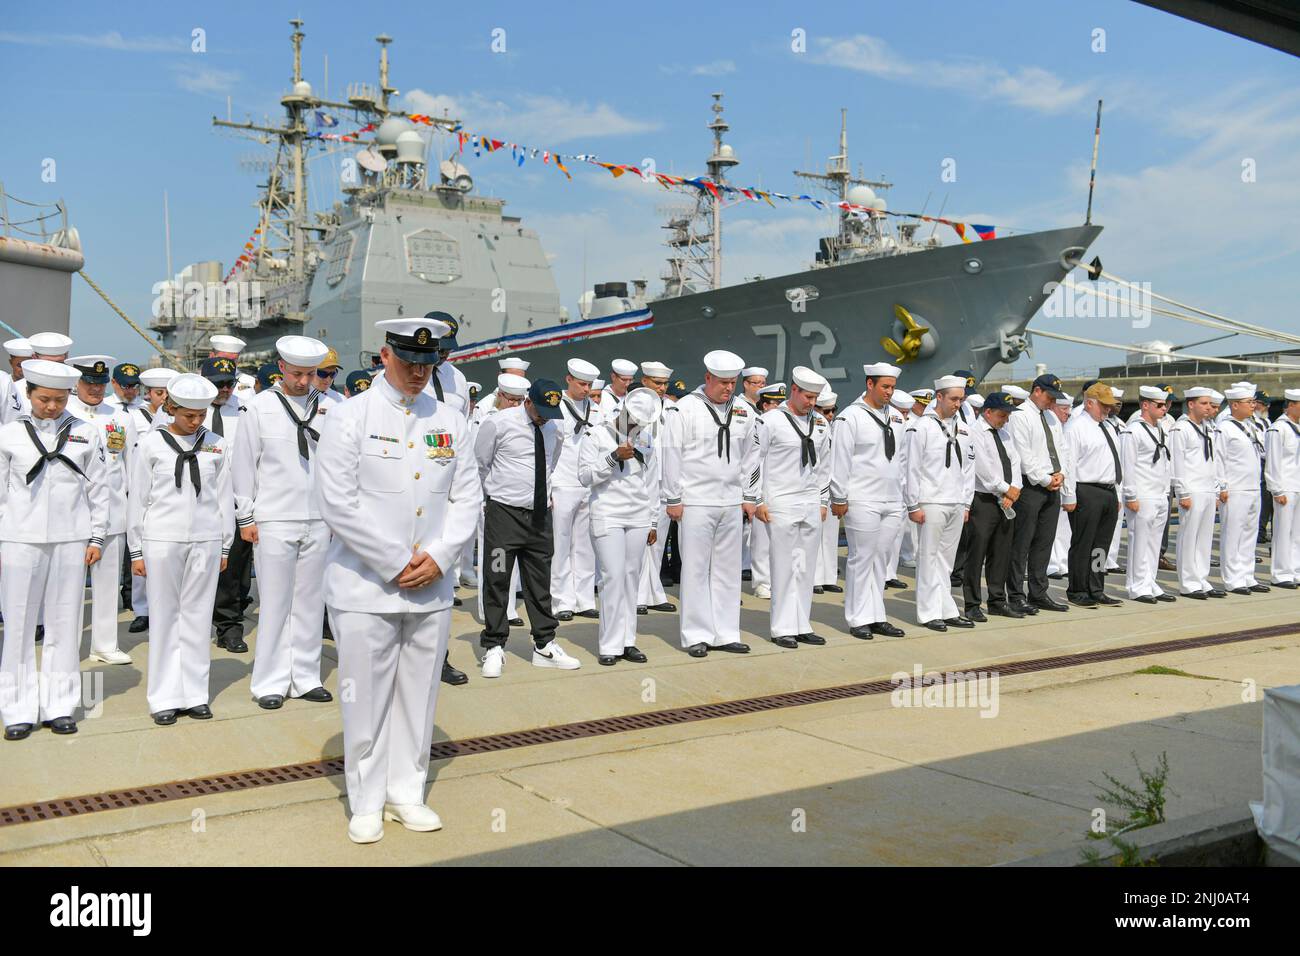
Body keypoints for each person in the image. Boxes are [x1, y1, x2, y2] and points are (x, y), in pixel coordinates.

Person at [314, 317, 482, 844]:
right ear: (385, 356)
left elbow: (467, 496)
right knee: (364, 697)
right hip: (365, 585)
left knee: (418, 696)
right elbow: (336, 501)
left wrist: (439, 556)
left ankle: (407, 791)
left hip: (430, 585)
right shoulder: (349, 416)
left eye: (428, 365)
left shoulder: (452, 419)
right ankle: (364, 799)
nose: (418, 374)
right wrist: (395, 561)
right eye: (409, 362)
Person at [0, 360, 110, 740]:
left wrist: (96, 537)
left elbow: (99, 488)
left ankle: (59, 705)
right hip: (21, 538)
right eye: (44, 399)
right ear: (28, 395)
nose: (51, 406)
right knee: (18, 626)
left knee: (65, 623)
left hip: (70, 537)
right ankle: (17, 709)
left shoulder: (86, 432)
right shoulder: (9, 434)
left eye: (59, 400)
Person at [233, 335, 339, 710]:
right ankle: (270, 680)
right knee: (276, 602)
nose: (304, 382)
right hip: (274, 516)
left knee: (311, 601)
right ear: (281, 368)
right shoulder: (258, 407)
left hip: (318, 517)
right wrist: (245, 515)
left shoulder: (331, 408)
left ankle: (306, 675)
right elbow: (244, 464)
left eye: (311, 374)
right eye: (297, 374)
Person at [128, 373, 234, 726]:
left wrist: (224, 545)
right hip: (162, 539)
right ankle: (163, 697)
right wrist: (136, 550)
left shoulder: (216, 443)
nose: (196, 421)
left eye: (201, 415)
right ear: (171, 408)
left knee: (197, 617)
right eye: (189, 415)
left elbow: (223, 497)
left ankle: (194, 694)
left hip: (205, 539)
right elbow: (138, 500)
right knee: (164, 616)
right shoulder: (151, 444)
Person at [475, 377, 581, 678]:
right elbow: (479, 463)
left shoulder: (555, 427)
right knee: (497, 577)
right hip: (504, 516)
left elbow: (552, 462)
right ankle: (494, 645)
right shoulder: (499, 424)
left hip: (539, 516)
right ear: (527, 401)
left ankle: (545, 644)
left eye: (551, 410)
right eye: (541, 410)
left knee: (539, 581)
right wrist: (494, 497)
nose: (546, 416)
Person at [661, 349, 759, 657]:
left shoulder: (744, 410)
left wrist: (749, 495)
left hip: (730, 501)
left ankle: (726, 632)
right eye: (722, 382)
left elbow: (752, 455)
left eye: (732, 382)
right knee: (695, 569)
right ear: (707, 378)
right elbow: (671, 454)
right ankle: (696, 634)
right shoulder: (685, 409)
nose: (728, 388)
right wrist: (673, 497)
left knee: (728, 571)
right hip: (696, 501)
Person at [750, 367, 832, 648]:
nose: (811, 403)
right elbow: (754, 461)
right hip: (781, 500)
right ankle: (782, 627)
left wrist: (823, 500)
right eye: (807, 396)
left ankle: (801, 623)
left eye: (815, 398)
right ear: (793, 391)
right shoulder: (770, 420)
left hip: (810, 500)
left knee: (805, 567)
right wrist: (757, 499)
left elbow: (824, 466)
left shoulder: (820, 423)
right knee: (783, 566)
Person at [579, 387, 661, 665]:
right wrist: (613, 457)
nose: (636, 425)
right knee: (612, 576)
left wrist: (652, 519)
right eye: (633, 419)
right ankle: (610, 644)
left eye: (641, 422)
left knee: (630, 577)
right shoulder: (596, 434)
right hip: (608, 512)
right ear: (622, 411)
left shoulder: (647, 439)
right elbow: (585, 476)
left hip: (637, 514)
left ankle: (628, 641)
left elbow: (651, 482)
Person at [67, 355, 138, 665]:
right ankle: (67, 643)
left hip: (112, 512)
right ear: (76, 383)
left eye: (99, 383)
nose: (94, 389)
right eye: (88, 382)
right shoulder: (65, 413)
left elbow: (132, 470)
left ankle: (105, 644)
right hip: (72, 513)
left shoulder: (120, 417)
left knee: (108, 584)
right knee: (68, 587)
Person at [832, 363, 908, 639]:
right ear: (870, 384)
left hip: (890, 498)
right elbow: (839, 459)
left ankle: (877, 615)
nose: (889, 392)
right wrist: (839, 496)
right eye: (884, 387)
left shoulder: (897, 418)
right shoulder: (850, 417)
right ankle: (857, 617)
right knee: (861, 558)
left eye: (892, 387)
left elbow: (901, 460)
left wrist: (902, 496)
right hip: (862, 497)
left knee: (881, 559)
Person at [904, 375, 975, 631]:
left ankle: (947, 609)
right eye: (954, 399)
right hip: (931, 500)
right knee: (928, 558)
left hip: (955, 500)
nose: (958, 404)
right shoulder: (921, 427)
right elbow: (911, 467)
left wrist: (966, 503)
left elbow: (969, 468)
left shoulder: (965, 428)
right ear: (940, 397)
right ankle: (928, 612)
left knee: (946, 561)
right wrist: (913, 504)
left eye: (961, 399)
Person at [1007, 373, 1069, 615]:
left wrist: (1060, 474)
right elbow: (1023, 455)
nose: (1052, 401)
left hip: (1052, 485)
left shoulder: (1052, 418)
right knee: (1021, 544)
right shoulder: (1020, 416)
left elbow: (1061, 450)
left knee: (1044, 542)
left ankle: (1039, 592)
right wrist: (1045, 479)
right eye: (1049, 396)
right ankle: (1015, 594)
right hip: (1031, 486)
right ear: (1036, 391)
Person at [201, 357, 252, 651]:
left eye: (229, 384)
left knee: (233, 568)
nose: (225, 390)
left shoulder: (245, 411)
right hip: (197, 498)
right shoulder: (189, 408)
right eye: (218, 384)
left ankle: (229, 625)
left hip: (234, 499)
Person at [1062, 383, 1125, 607]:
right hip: (1086, 489)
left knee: (1101, 545)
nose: (1108, 410)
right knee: (1083, 543)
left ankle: (1096, 587)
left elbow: (1113, 464)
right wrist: (1069, 496)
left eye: (1110, 406)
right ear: (1090, 403)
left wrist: (1116, 495)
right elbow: (1068, 464)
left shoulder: (1106, 427)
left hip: (1107, 490)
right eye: (1104, 406)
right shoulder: (1076, 427)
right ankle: (1078, 589)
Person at [550, 358, 602, 621]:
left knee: (585, 546)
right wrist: (548, 486)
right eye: (582, 384)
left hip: (587, 483)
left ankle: (583, 599)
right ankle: (561, 600)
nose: (586, 389)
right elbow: (550, 449)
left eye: (589, 385)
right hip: (562, 482)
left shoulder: (595, 409)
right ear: (568, 379)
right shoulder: (556, 406)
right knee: (561, 544)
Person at [963, 392, 1022, 620]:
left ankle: (997, 599)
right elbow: (983, 469)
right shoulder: (974, 432)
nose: (1005, 419)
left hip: (1007, 498)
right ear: (987, 412)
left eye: (1007, 415)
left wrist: (1014, 489)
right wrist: (1005, 488)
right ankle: (972, 603)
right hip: (984, 499)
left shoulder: (1004, 433)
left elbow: (1014, 461)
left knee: (1001, 552)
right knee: (977, 553)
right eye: (1002, 415)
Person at [1120, 386, 1177, 603]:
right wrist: (1131, 496)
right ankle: (1136, 585)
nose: (1164, 409)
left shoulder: (1161, 429)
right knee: (1139, 541)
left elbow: (1165, 463)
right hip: (1142, 493)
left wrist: (1165, 491)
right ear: (1145, 405)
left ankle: (1150, 581)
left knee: (1153, 543)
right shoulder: (1133, 431)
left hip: (1159, 493)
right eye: (1159, 405)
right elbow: (1128, 465)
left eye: (1164, 405)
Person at [1169, 386, 1227, 599]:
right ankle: (1188, 582)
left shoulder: (1208, 428)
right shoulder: (1180, 428)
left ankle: (1201, 578)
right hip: (1191, 489)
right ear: (1191, 404)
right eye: (1204, 403)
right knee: (1189, 536)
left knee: (1204, 537)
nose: (1208, 407)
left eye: (1210, 404)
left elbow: (1213, 461)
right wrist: (1182, 492)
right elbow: (1177, 462)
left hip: (1207, 488)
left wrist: (1216, 488)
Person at [1217, 385, 1269, 595]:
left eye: (1253, 402)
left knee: (1249, 533)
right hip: (1235, 488)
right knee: (1233, 534)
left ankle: (1247, 575)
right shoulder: (1225, 427)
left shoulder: (1252, 426)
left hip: (1252, 487)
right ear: (1235, 405)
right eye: (1249, 402)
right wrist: (1221, 486)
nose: (1253, 405)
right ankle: (1233, 578)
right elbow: (1219, 459)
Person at [747, 382, 787, 599]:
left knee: (782, 542)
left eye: (781, 403)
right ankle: (762, 581)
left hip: (783, 489)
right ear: (763, 405)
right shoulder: (757, 423)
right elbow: (754, 461)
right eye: (774, 403)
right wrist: (756, 495)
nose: (778, 407)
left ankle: (777, 579)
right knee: (762, 539)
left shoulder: (786, 423)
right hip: (762, 487)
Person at [1266, 389, 1300, 588]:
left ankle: (1295, 569)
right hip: (1285, 486)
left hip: (1298, 484)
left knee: (1297, 533)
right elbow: (1273, 462)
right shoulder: (1278, 429)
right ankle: (1281, 573)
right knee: (1282, 531)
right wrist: (1276, 489)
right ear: (1292, 405)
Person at [813, 387, 843, 594]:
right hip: (813, 487)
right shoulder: (810, 427)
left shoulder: (836, 428)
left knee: (830, 535)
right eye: (826, 411)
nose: (830, 415)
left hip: (833, 488)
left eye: (833, 410)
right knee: (814, 535)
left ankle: (828, 576)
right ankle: (814, 577)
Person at [425, 313, 469, 415]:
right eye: (440, 349)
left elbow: (463, 419)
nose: (444, 354)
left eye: (448, 349)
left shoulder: (458, 378)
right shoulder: (405, 374)